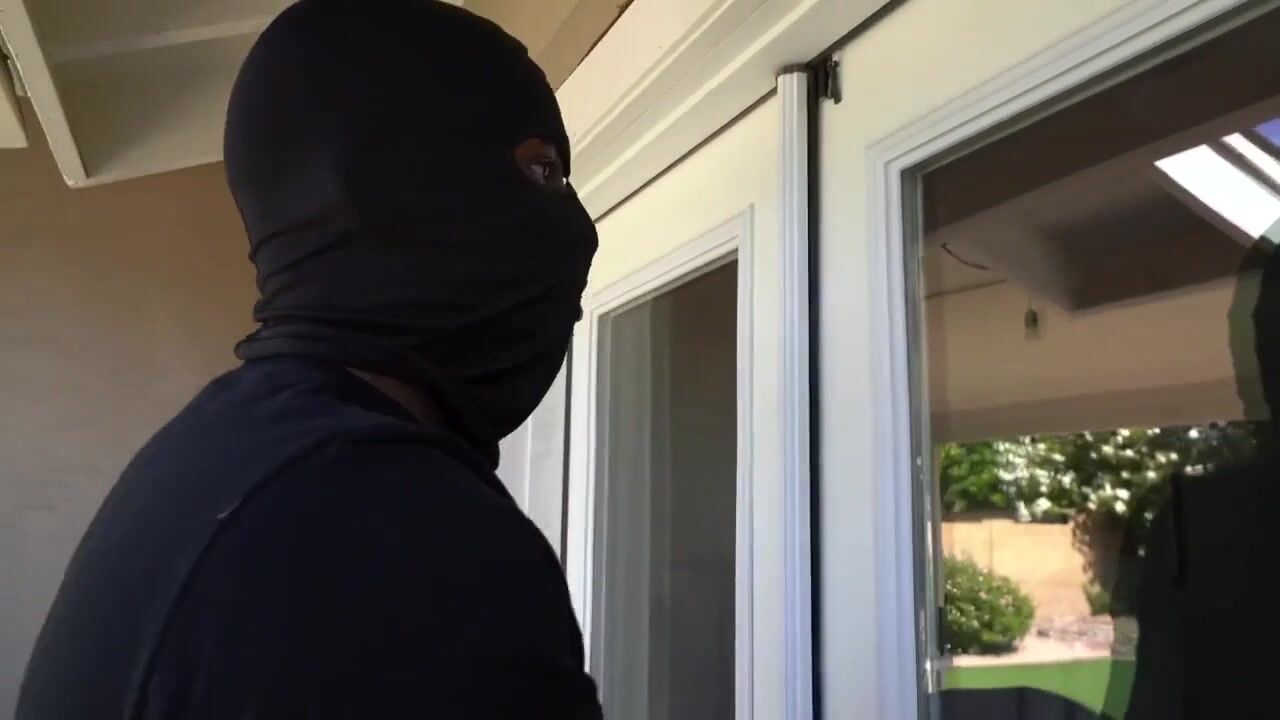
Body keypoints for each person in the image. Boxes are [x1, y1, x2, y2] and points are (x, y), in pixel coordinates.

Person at [16, 1, 601, 717]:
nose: (580, 232)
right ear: (389, 185)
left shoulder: (235, 455)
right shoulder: (395, 532)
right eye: (542, 171)